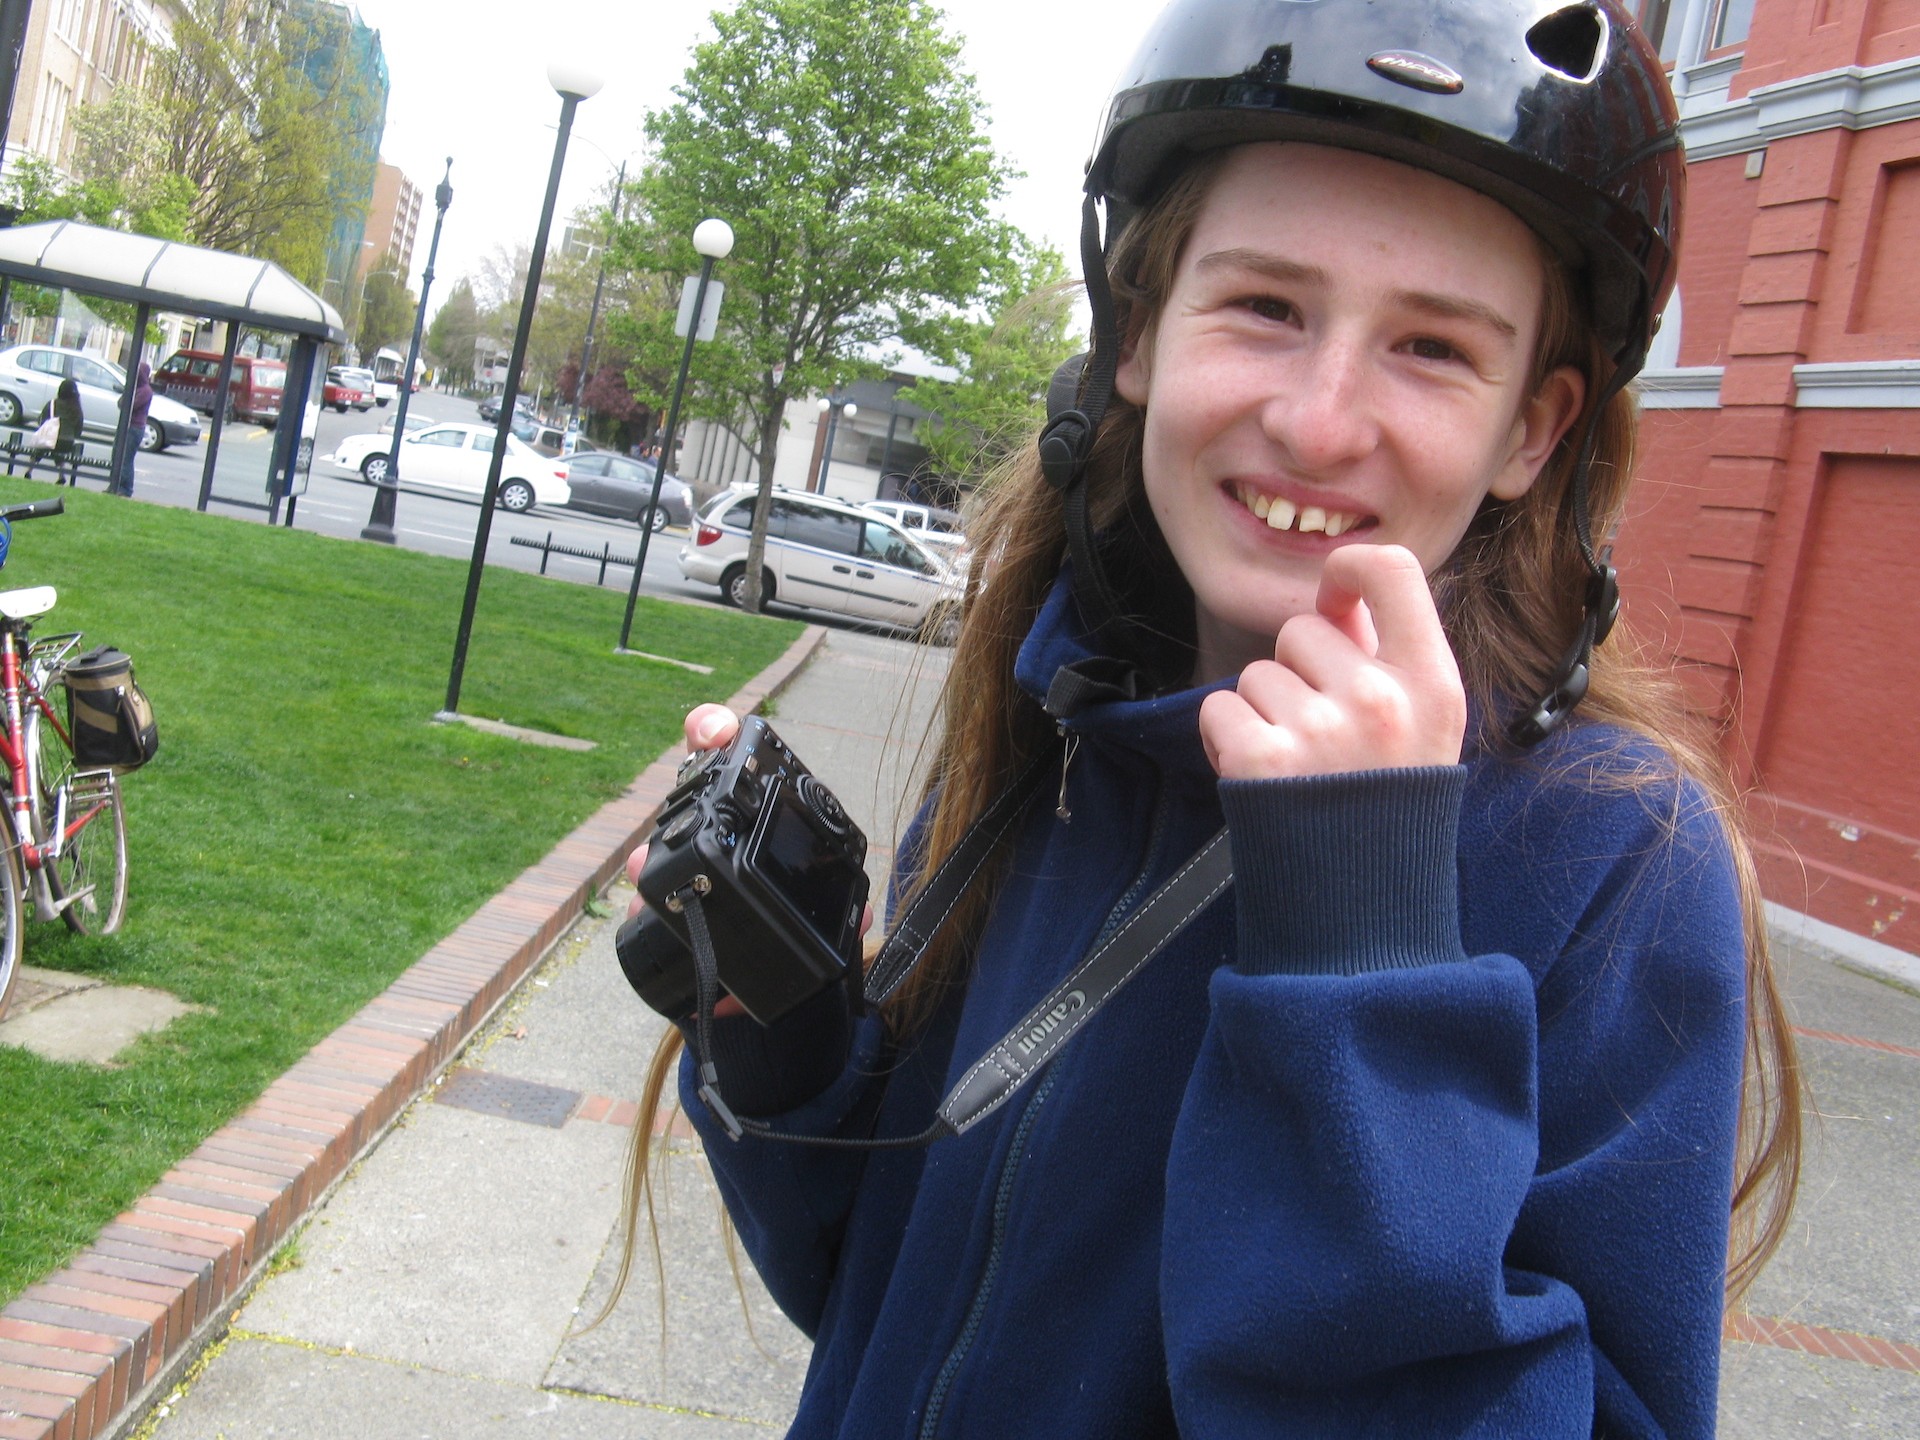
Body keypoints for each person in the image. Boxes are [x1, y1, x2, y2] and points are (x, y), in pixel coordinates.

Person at [615, 2, 1804, 1435]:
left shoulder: (1614, 859)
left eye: (1432, 348)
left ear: (1532, 430)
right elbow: (884, 1302)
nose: (1317, 421)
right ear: (1137, 328)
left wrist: (1357, 951)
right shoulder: (1062, 722)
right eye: (1265, 307)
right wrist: (784, 1033)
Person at [112, 360, 153, 497]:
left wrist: (127, 398)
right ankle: (114, 485)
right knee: (116, 455)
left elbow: (131, 406)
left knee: (126, 458)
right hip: (125, 426)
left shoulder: (145, 391)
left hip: (135, 428)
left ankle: (126, 488)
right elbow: (120, 403)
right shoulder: (133, 389)